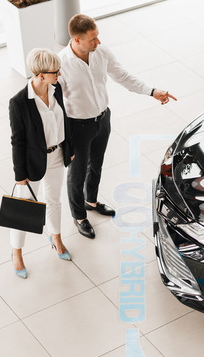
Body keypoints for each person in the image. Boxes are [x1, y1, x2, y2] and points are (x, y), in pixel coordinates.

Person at [58, 14, 176, 239]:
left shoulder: (101, 53)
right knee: (77, 173)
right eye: (93, 39)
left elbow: (123, 76)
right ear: (76, 40)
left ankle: (91, 201)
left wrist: (152, 91)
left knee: (97, 165)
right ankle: (79, 216)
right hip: (77, 127)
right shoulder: (61, 64)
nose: (98, 42)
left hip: (102, 119)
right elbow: (55, 103)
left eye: (98, 36)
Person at [8, 48, 75, 278]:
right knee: (24, 208)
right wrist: (19, 174)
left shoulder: (55, 90)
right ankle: (16, 252)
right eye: (55, 71)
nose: (59, 74)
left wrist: (70, 148)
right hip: (32, 161)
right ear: (39, 75)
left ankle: (55, 237)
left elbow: (65, 120)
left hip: (57, 155)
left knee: (54, 200)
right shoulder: (19, 103)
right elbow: (17, 141)